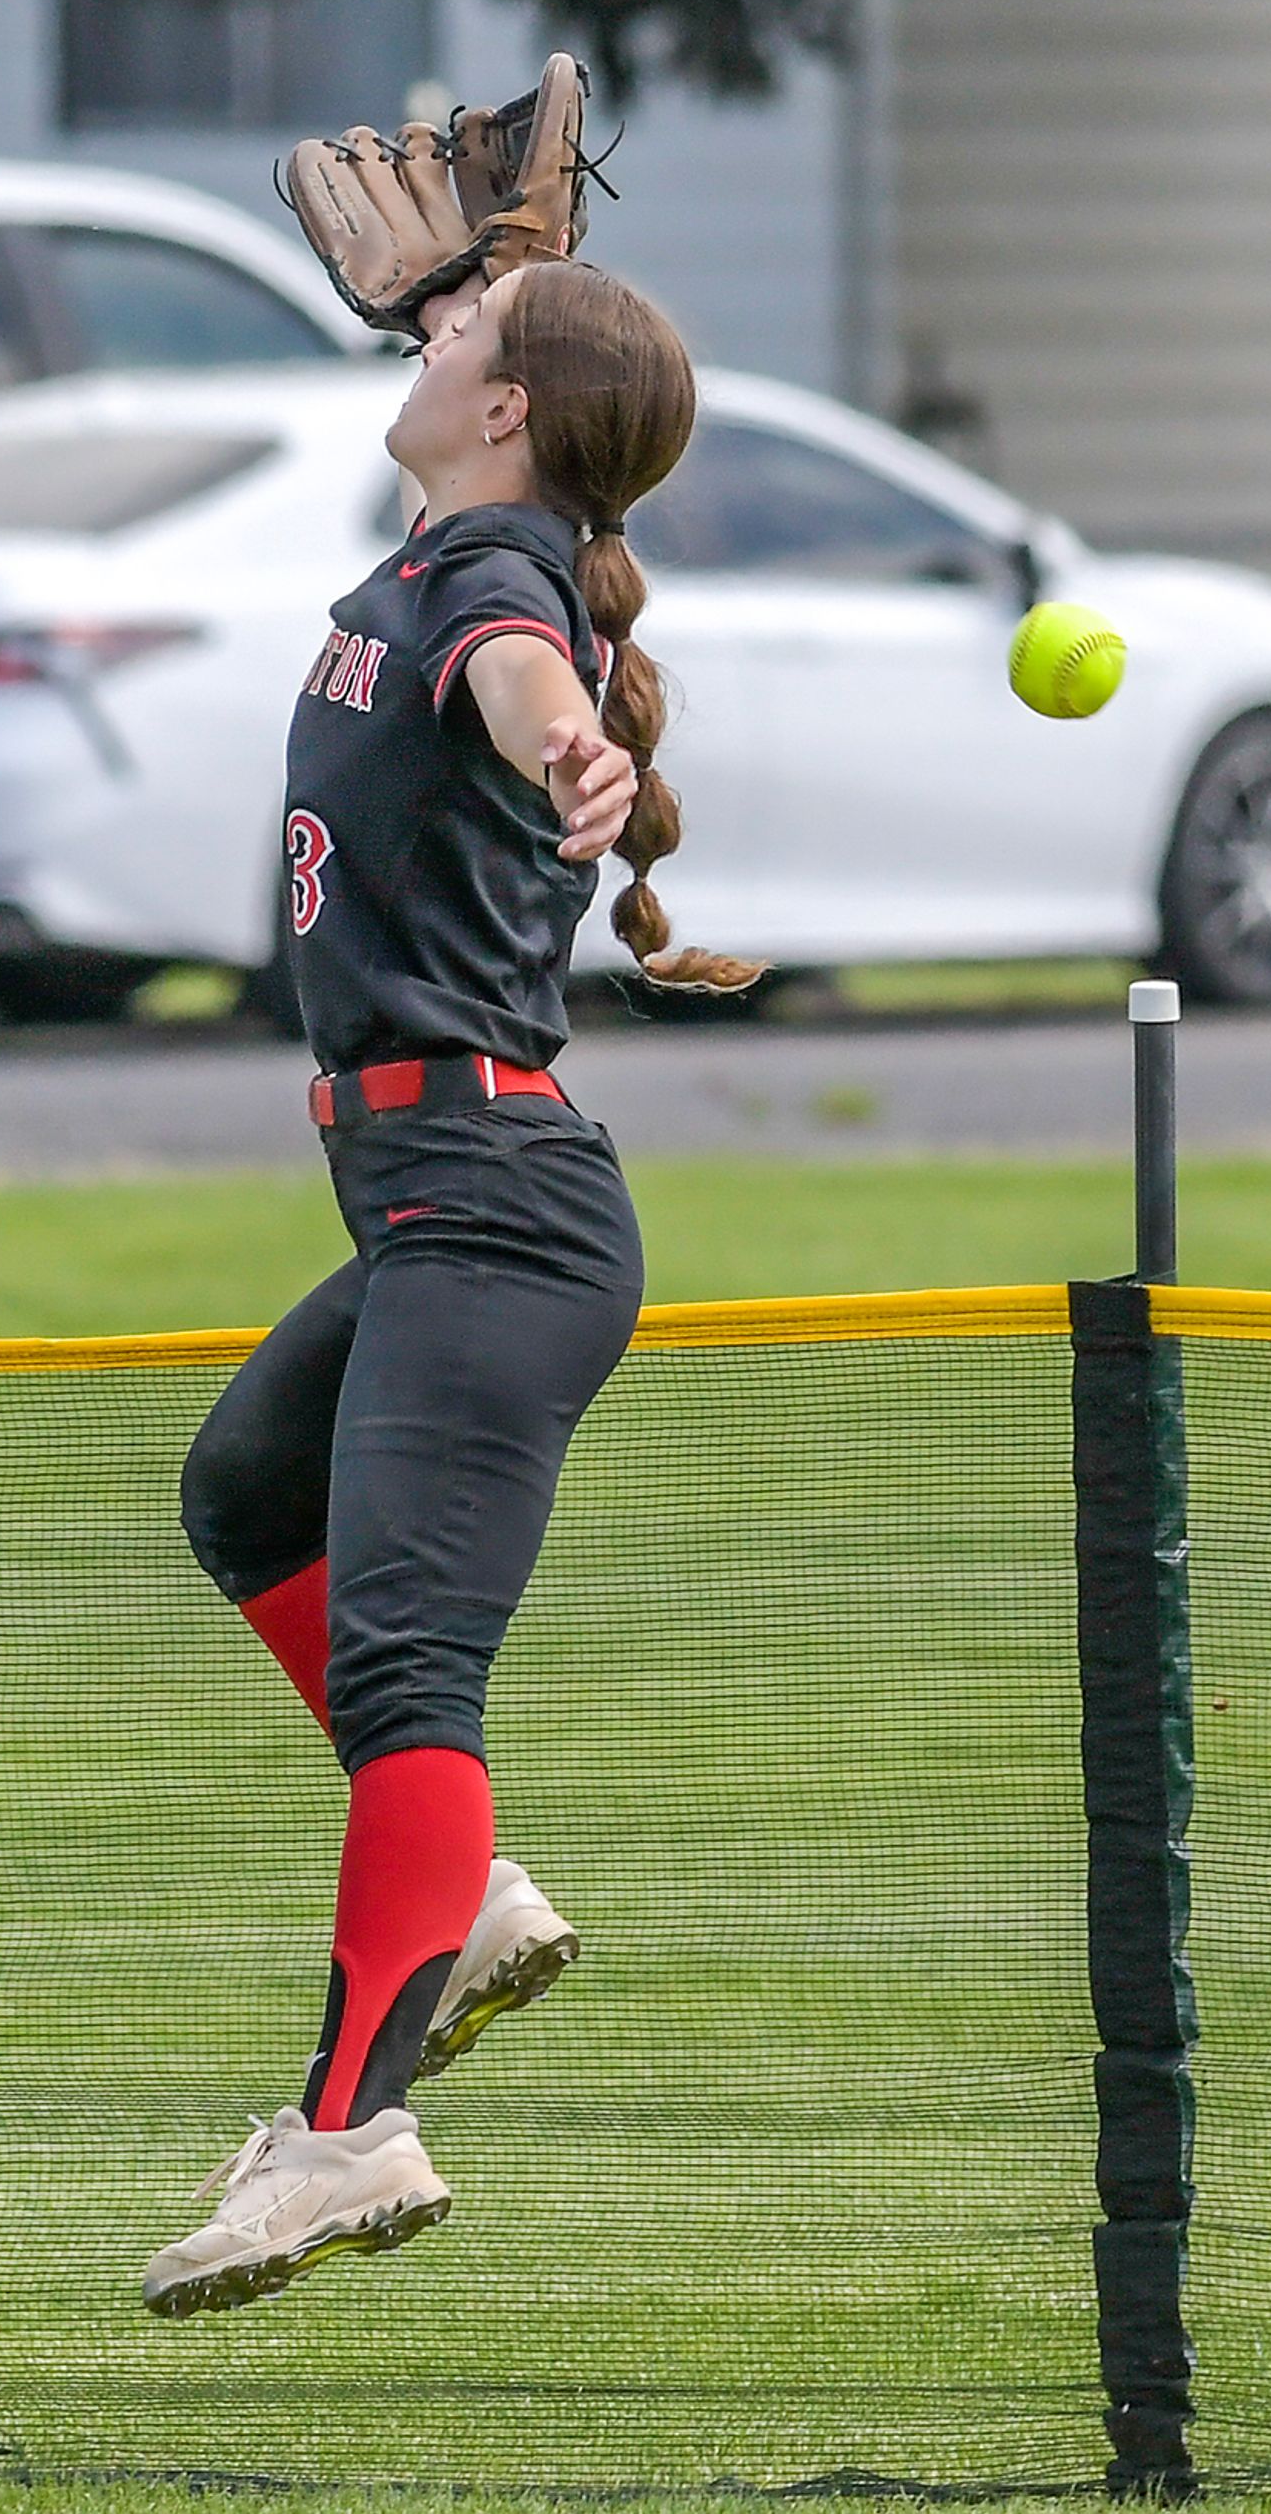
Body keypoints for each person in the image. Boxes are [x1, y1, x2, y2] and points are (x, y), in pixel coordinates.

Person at [145, 259, 758, 2319]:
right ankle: (463, 1887)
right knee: (246, 1492)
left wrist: (573, 746)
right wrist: (517, 272)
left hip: (497, 1212)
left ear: (510, 415)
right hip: (441, 1201)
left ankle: (345, 2131)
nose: (423, 349)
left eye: (457, 343)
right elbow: (499, 579)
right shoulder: (471, 540)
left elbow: (523, 668)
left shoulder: (504, 576)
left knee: (416, 1680)